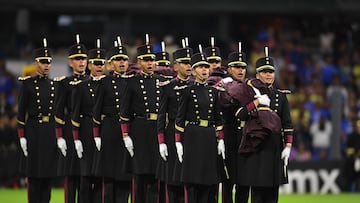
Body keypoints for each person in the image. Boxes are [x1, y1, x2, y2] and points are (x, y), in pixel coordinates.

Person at [233, 47, 293, 203]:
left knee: (273, 192)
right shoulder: (249, 93)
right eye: (264, 72)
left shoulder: (280, 96)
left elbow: (287, 123)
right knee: (257, 193)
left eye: (271, 72)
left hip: (274, 147)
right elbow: (240, 114)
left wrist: (288, 146)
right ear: (258, 74)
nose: (268, 75)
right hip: (256, 148)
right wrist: (256, 102)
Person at [174, 46, 225, 203]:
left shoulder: (214, 92)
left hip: (209, 136)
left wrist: (220, 139)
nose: (204, 70)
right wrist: (178, 142)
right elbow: (180, 118)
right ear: (194, 71)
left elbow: (218, 119)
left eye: (206, 67)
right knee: (193, 183)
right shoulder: (187, 91)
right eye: (200, 67)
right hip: (192, 136)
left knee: (208, 182)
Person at [120, 35, 160, 203]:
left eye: (152, 60)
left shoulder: (161, 82)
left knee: (155, 178)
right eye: (146, 60)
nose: (150, 63)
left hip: (156, 130)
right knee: (139, 177)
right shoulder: (133, 83)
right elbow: (124, 112)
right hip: (140, 130)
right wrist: (126, 135)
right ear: (139, 62)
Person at [92, 38, 132, 203]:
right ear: (111, 63)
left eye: (124, 59)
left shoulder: (132, 82)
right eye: (118, 59)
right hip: (109, 131)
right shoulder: (105, 82)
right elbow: (96, 111)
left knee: (125, 178)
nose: (122, 62)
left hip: (127, 133)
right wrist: (96, 135)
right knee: (108, 179)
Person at [17, 38, 58, 203]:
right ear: (36, 63)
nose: (46, 65)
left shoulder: (55, 85)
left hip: (49, 132)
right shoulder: (28, 85)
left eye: (48, 62)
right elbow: (21, 113)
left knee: (47, 178)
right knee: (33, 177)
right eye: (43, 62)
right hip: (33, 131)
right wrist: (22, 136)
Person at [156, 43, 193, 203]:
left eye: (190, 63)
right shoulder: (168, 87)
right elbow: (161, 116)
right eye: (185, 63)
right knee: (172, 179)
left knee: (190, 179)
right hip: (172, 135)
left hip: (192, 134)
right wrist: (161, 141)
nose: (189, 66)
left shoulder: (195, 86)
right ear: (176, 66)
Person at [54, 34, 89, 203]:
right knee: (70, 177)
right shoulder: (64, 83)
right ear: (70, 62)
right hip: (69, 131)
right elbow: (59, 112)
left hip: (88, 130)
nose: (81, 62)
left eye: (83, 58)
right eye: (77, 59)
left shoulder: (93, 82)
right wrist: (59, 136)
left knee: (86, 178)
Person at [71, 39, 105, 203]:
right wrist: (76, 138)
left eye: (101, 63)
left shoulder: (109, 85)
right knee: (85, 177)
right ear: (90, 65)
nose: (99, 66)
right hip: (86, 131)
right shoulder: (82, 86)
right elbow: (76, 115)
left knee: (100, 177)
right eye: (96, 63)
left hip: (104, 131)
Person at [217, 44, 250, 203]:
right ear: (228, 69)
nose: (240, 70)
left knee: (244, 182)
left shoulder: (250, 87)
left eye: (243, 67)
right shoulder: (222, 87)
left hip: (246, 138)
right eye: (236, 67)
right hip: (229, 137)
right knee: (228, 182)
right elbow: (226, 103)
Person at [340, 119, 360, 192]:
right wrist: (356, 156)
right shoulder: (352, 136)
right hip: (352, 162)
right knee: (350, 178)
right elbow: (349, 150)